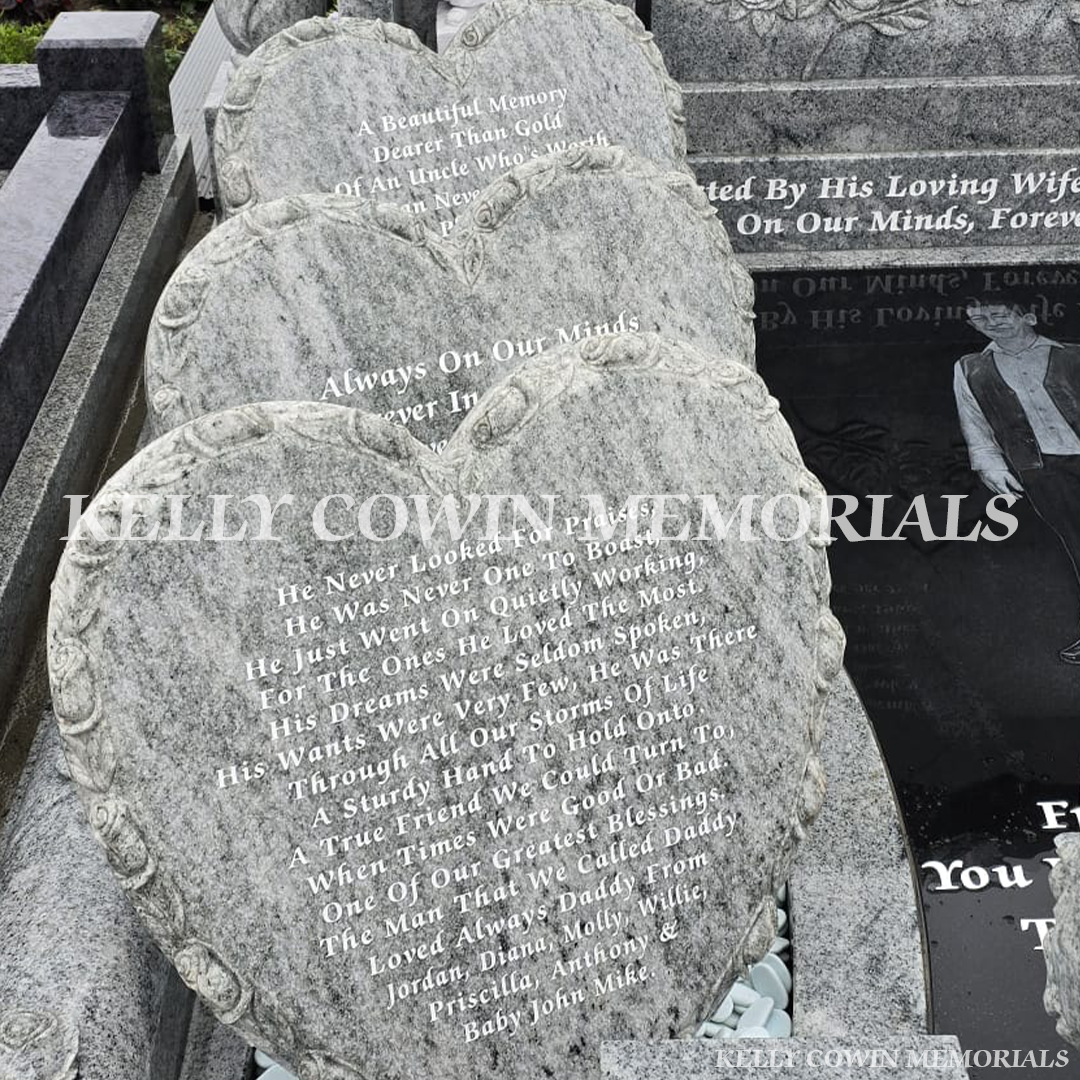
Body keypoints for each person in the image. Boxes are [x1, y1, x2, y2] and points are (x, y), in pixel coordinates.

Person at [954, 298, 1080, 664]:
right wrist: (990, 465)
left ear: (1029, 316)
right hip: (1041, 469)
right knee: (1076, 544)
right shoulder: (971, 368)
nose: (989, 322)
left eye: (998, 314)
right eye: (978, 317)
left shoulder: (1073, 355)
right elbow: (974, 422)